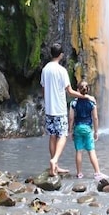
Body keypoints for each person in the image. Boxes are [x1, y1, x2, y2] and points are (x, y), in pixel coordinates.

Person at [40, 42, 94, 176]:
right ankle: (55, 160)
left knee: (52, 136)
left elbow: (43, 89)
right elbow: (70, 92)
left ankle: (55, 167)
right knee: (63, 135)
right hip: (59, 109)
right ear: (61, 55)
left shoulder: (45, 69)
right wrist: (86, 97)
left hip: (49, 109)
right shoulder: (62, 71)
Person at [68, 80, 107, 180]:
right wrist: (96, 131)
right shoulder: (92, 102)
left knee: (79, 151)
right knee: (91, 151)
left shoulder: (73, 103)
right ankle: (97, 173)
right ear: (87, 90)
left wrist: (70, 131)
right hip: (88, 129)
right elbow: (95, 118)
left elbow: (71, 118)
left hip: (77, 128)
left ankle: (79, 173)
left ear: (77, 90)